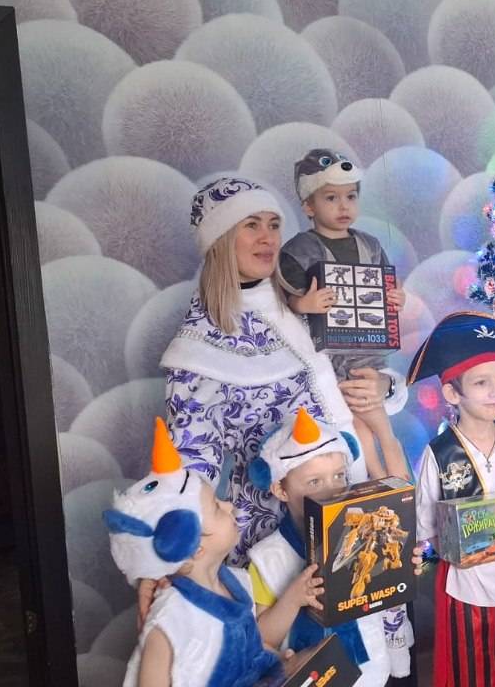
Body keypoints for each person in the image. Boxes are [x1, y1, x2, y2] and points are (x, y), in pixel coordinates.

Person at [157, 176, 407, 570]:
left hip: (362, 517)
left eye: (274, 224)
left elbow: (359, 362)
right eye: (251, 225)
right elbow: (189, 467)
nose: (268, 237)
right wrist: (170, 559)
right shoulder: (198, 346)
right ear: (220, 239)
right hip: (274, 545)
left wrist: (382, 386)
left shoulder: (308, 300)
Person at [407, 311, 495, 687]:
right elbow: (426, 526)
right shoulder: (440, 453)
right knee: (471, 674)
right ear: (453, 393)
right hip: (467, 588)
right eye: (481, 382)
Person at [103, 417, 283, 687]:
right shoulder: (171, 621)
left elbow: (250, 651)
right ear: (195, 547)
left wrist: (284, 663)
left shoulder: (238, 582)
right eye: (216, 507)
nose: (229, 506)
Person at [247, 406, 410, 687]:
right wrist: (293, 598)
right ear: (280, 490)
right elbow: (263, 639)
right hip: (313, 677)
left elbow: (387, 594)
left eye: (339, 476)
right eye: (314, 481)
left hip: (373, 669)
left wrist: (403, 565)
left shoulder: (364, 530)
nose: (332, 490)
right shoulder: (267, 558)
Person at [278, 149, 408, 481]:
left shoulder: (370, 245)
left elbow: (385, 288)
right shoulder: (299, 251)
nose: (343, 206)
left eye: (350, 196)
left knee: (375, 416)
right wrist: (303, 305)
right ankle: (379, 478)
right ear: (309, 206)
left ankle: (397, 480)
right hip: (329, 355)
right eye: (331, 198)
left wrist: (395, 298)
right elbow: (284, 304)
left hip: (367, 349)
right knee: (356, 424)